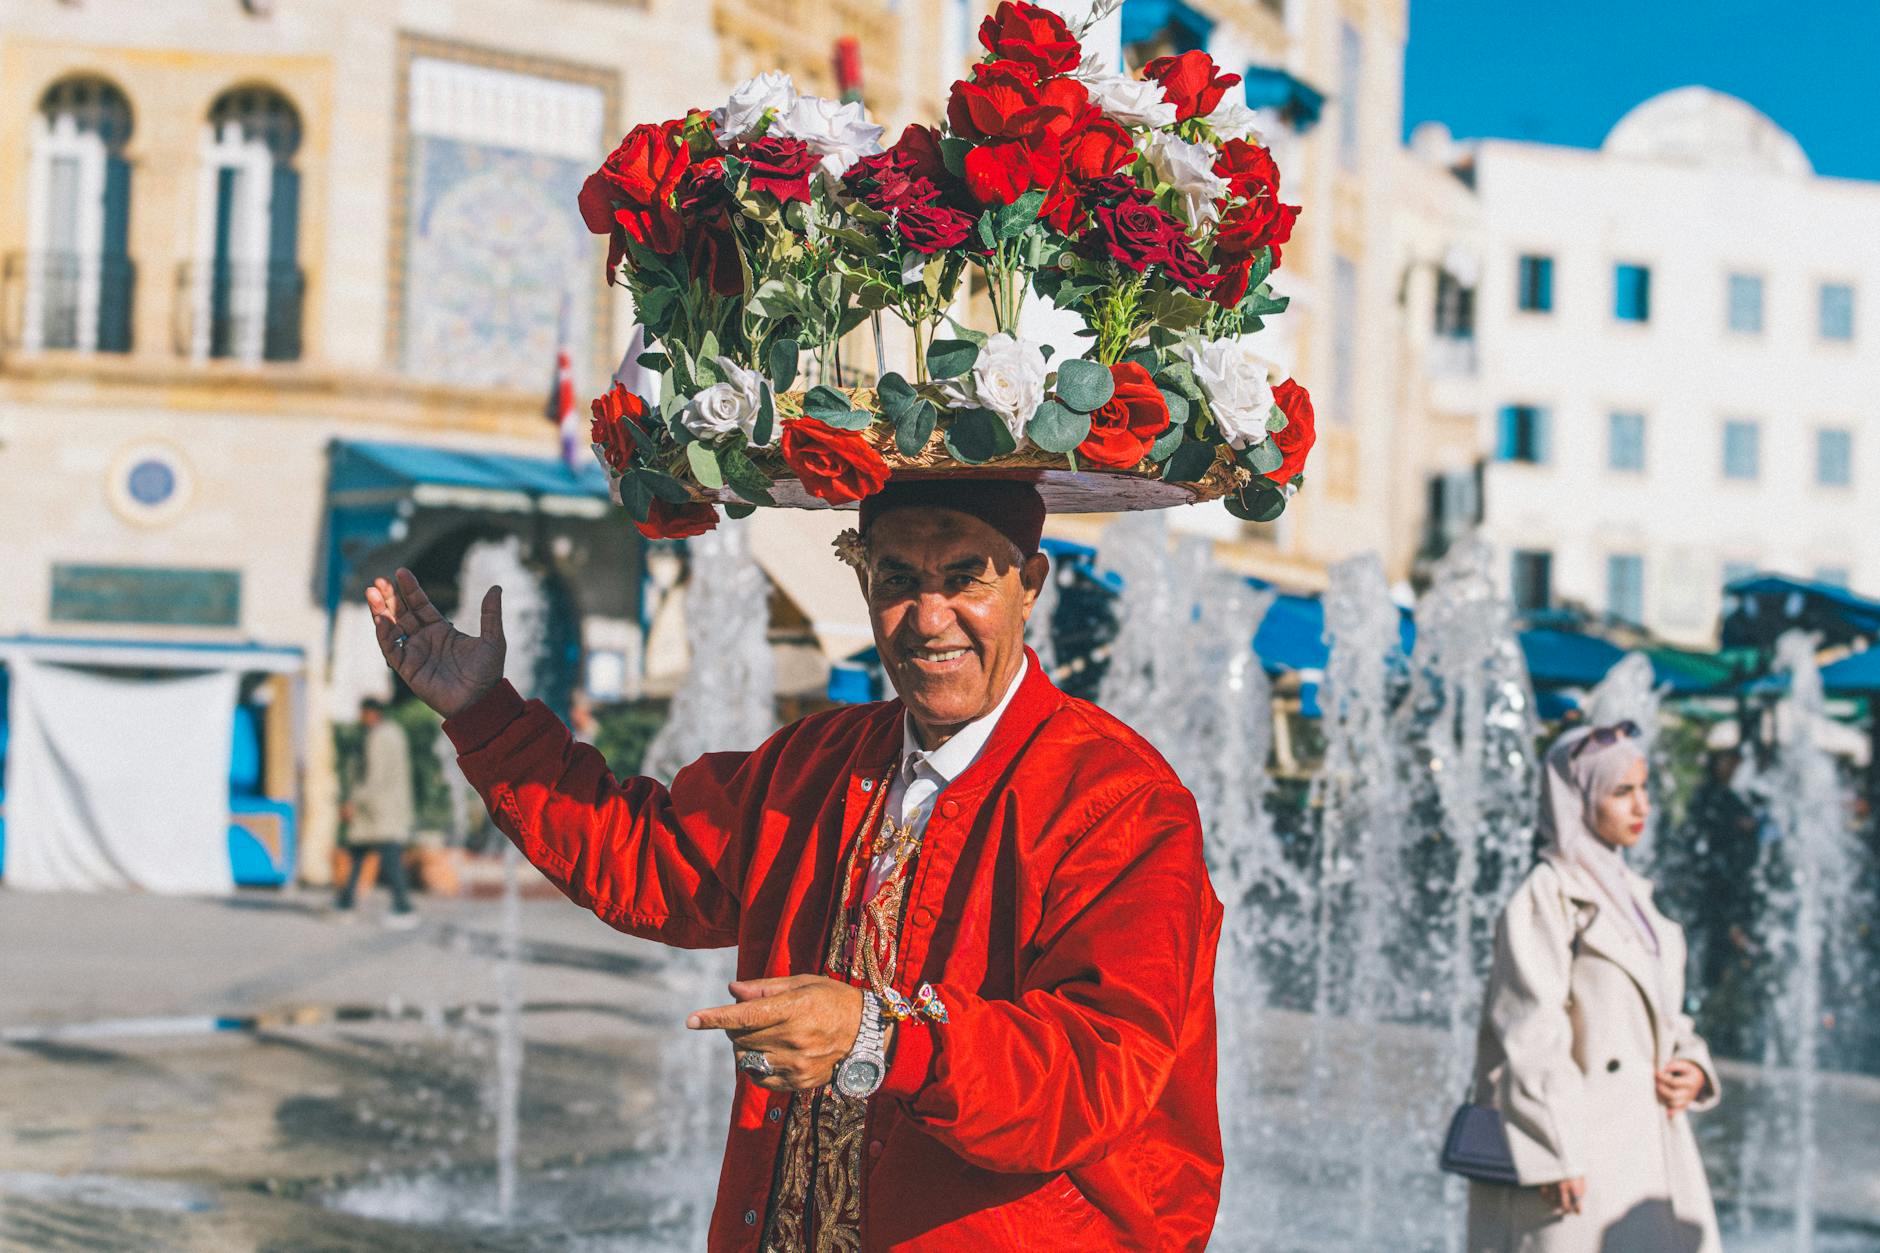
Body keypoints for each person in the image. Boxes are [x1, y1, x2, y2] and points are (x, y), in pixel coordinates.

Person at [364, 480, 1225, 1251]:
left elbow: (1100, 1068)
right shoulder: (818, 762)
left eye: (965, 578)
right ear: (863, 582)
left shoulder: (1118, 801)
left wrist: (883, 1038)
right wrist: (484, 714)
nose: (929, 617)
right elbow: (649, 858)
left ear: (1028, 584)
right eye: (897, 580)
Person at [1467, 723, 1722, 1253]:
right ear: (1577, 798)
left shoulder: (1633, 895)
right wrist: (1554, 1151)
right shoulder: (1548, 894)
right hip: (1576, 1149)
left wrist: (1694, 1067)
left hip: (1649, 1144)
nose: (1642, 807)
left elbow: (1663, 1016)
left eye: (1644, 788)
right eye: (1622, 792)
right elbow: (1529, 1032)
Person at [335, 697, 418, 926]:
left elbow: (375, 776)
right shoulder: (395, 733)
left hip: (378, 810)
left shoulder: (380, 737)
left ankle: (403, 908)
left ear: (372, 713)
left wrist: (353, 801)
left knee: (388, 859)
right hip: (386, 808)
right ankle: (346, 902)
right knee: (360, 854)